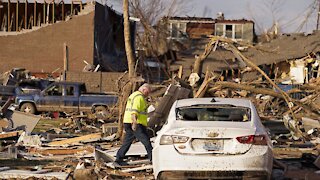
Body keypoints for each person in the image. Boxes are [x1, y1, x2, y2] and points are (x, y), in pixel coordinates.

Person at [115, 83, 153, 165]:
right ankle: (153, 158)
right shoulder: (139, 97)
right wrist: (134, 123)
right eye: (148, 92)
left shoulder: (133, 95)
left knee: (127, 141)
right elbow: (134, 111)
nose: (148, 94)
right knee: (146, 141)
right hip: (136, 123)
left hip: (128, 121)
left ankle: (119, 158)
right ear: (143, 89)